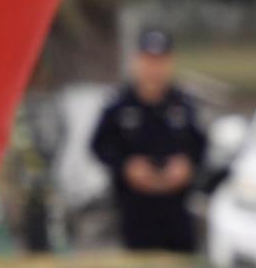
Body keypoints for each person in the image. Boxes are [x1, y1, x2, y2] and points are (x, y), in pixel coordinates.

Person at [88, 27, 206, 252]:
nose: (155, 69)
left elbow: (201, 146)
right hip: (135, 209)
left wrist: (185, 166)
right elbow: (99, 145)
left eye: (160, 61)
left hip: (176, 209)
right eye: (149, 61)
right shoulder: (120, 105)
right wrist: (126, 166)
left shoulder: (183, 104)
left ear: (170, 63)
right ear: (138, 62)